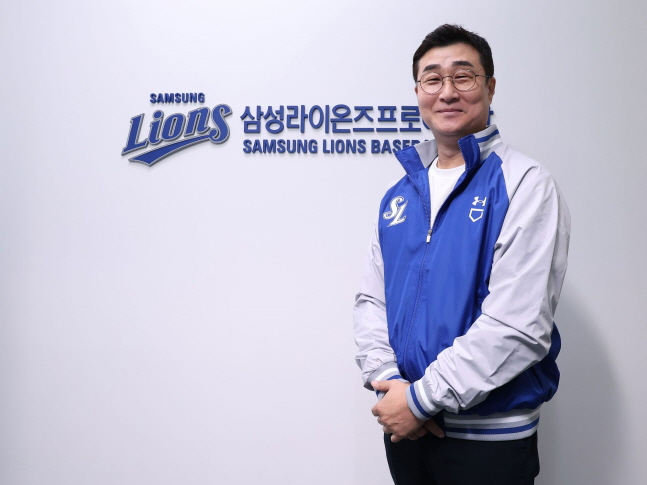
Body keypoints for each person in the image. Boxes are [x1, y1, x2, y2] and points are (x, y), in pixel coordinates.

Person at [353, 24, 570, 485]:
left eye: (463, 76)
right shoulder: (399, 193)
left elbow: (518, 324)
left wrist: (420, 400)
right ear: (418, 92)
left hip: (489, 439)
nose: (447, 92)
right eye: (432, 79)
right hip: (407, 433)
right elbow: (372, 302)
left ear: (490, 87)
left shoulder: (524, 183)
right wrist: (391, 384)